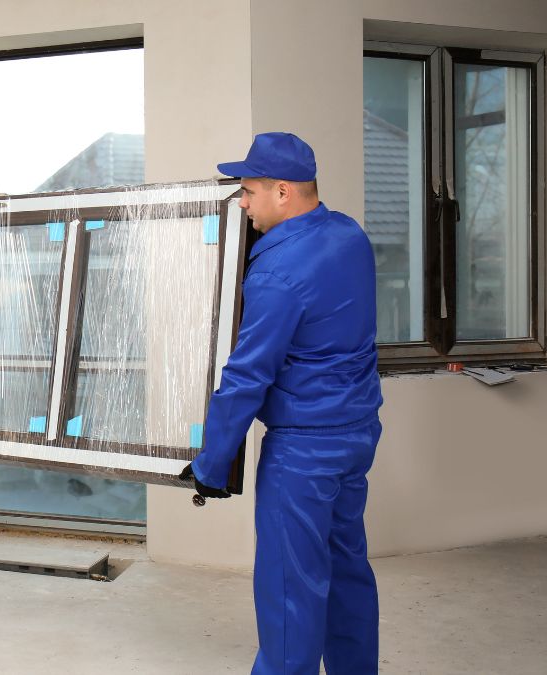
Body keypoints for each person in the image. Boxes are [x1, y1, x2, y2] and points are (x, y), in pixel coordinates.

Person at [179, 133, 383, 673]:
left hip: (304, 452)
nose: (242, 204)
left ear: (284, 192)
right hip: (356, 434)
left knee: (291, 593)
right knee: (346, 576)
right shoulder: (349, 236)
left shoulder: (278, 273)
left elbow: (247, 376)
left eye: (247, 192)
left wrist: (211, 464)